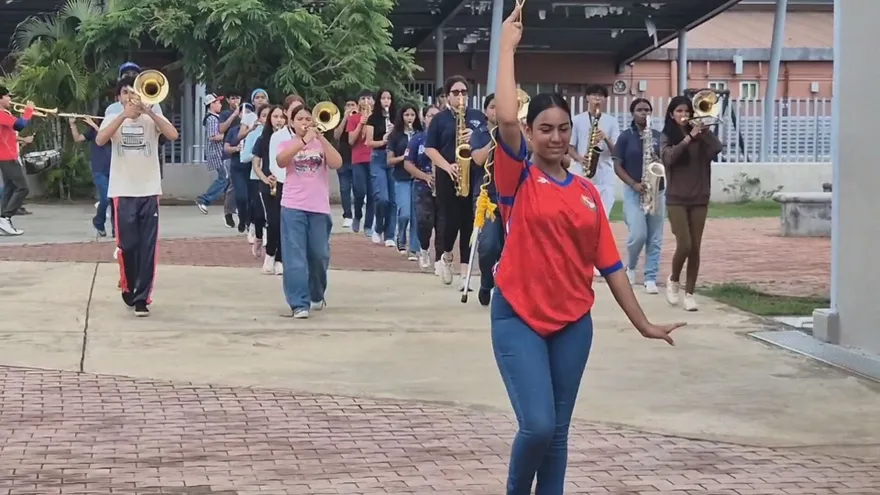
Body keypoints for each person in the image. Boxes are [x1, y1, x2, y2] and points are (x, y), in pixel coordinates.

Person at [490, 6, 683, 493]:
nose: (555, 137)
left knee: (557, 434)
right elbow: (508, 116)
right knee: (536, 425)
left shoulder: (587, 194)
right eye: (545, 129)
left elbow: (613, 265)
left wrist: (643, 323)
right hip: (519, 317)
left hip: (573, 323)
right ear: (531, 134)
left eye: (562, 130)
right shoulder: (518, 178)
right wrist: (507, 48)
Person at [96, 76, 179, 317]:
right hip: (123, 191)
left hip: (149, 191)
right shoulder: (113, 118)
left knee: (147, 248)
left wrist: (150, 112)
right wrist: (124, 115)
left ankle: (142, 298)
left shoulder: (151, 119)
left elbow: (172, 134)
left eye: (134, 92)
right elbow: (101, 140)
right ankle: (128, 285)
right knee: (128, 245)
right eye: (125, 93)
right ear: (119, 98)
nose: (131, 96)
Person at [275, 105, 343, 319]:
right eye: (300, 119)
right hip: (293, 206)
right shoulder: (286, 143)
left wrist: (320, 138)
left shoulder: (320, 143)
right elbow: (281, 161)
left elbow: (337, 163)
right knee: (295, 257)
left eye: (308, 118)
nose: (304, 122)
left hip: (318, 208)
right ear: (292, 123)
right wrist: (304, 140)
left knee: (319, 255)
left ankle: (316, 293)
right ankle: (298, 303)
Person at [660, 95, 723, 312]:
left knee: (695, 247)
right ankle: (674, 279)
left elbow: (717, 148)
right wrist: (688, 138)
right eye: (679, 112)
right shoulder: (666, 136)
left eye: (687, 111)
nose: (684, 115)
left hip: (700, 197)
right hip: (676, 198)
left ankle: (690, 293)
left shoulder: (702, 136)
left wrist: (703, 131)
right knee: (684, 244)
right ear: (671, 114)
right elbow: (668, 158)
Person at [425, 76, 487, 289]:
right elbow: (429, 148)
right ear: (448, 96)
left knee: (469, 222)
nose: (460, 96)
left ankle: (464, 274)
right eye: (455, 93)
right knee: (450, 221)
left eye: (463, 92)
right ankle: (446, 256)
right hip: (448, 174)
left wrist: (474, 135)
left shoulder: (478, 117)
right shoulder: (440, 119)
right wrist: (447, 166)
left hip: (473, 173)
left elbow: (487, 140)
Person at [613, 98, 664, 295]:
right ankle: (631, 266)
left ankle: (650, 277)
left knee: (655, 238)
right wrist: (633, 183)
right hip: (634, 190)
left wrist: (661, 158)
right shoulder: (626, 137)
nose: (645, 113)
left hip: (657, 190)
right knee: (638, 235)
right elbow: (617, 165)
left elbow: (668, 160)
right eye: (640, 110)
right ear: (632, 113)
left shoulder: (659, 136)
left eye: (648, 110)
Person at [468, 93, 502, 306]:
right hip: (486, 197)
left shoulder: (516, 133)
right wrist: (495, 139)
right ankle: (487, 281)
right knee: (489, 245)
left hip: (513, 197)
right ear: (486, 111)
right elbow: (479, 159)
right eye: (492, 107)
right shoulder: (480, 133)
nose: (496, 111)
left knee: (511, 246)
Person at [403, 105, 442, 272]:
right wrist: (425, 176)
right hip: (422, 185)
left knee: (442, 225)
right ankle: (424, 249)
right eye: (430, 116)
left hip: (443, 186)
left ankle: (440, 260)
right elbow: (407, 163)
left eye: (436, 116)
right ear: (425, 118)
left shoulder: (447, 138)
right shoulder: (418, 139)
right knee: (424, 222)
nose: (433, 119)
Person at [251, 105, 288, 274]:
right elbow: (256, 164)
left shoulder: (288, 139)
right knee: (272, 221)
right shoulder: (262, 139)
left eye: (281, 117)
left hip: (286, 184)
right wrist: (265, 178)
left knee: (282, 222)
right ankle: (270, 255)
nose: (278, 120)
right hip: (267, 185)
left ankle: (280, 258)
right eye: (275, 116)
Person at [386, 104, 423, 259]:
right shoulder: (395, 136)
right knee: (405, 214)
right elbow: (389, 160)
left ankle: (414, 248)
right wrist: (405, 157)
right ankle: (401, 238)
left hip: (417, 178)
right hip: (401, 177)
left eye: (412, 115)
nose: (410, 118)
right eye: (407, 115)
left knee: (416, 215)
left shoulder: (420, 134)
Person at [69, 113, 114, 238]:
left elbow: (108, 136)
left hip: (115, 170)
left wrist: (93, 125)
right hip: (99, 170)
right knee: (105, 199)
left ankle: (116, 229)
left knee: (116, 200)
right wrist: (72, 124)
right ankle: (98, 222)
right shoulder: (92, 131)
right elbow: (77, 138)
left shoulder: (114, 128)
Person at [364, 89, 398, 247]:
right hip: (378, 157)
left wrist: (394, 135)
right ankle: (378, 227)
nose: (386, 101)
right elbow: (368, 142)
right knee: (382, 198)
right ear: (379, 101)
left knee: (393, 200)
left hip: (393, 158)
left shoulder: (396, 117)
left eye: (389, 98)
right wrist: (383, 141)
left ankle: (390, 234)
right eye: (383, 98)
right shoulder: (373, 119)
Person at [0, 86, 33, 236]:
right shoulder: (1, 114)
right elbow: (20, 125)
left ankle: (3, 220)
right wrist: (28, 111)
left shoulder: (4, 114)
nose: (10, 100)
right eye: (7, 96)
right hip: (7, 157)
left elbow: (9, 133)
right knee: (23, 188)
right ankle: (5, 217)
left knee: (10, 188)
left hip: (6, 155)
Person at [345, 90, 375, 235]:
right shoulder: (353, 118)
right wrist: (361, 123)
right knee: (359, 191)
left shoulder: (377, 118)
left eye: (369, 98)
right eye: (363, 98)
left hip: (373, 159)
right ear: (358, 102)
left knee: (372, 193)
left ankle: (368, 225)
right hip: (358, 159)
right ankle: (357, 215)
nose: (366, 101)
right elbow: (351, 140)